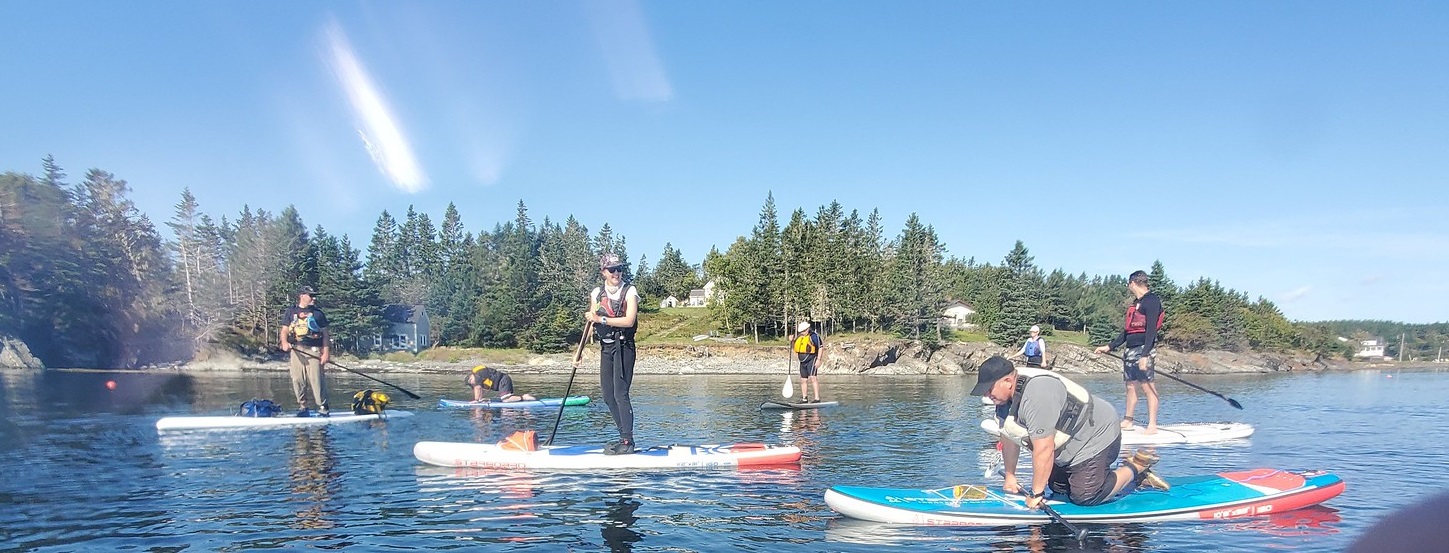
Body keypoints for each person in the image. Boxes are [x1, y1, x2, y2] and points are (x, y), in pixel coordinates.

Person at [972, 355, 1169, 510]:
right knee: (1059, 491)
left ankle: (1135, 468)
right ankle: (1102, 474)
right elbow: (1008, 437)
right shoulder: (1004, 399)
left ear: (1008, 380)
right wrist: (1010, 476)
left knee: (1085, 496)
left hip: (1098, 435)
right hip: (1070, 445)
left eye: (989, 389)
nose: (987, 395)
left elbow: (1044, 449)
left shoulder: (1037, 395)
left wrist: (1037, 494)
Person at [579, 253, 640, 455]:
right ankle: (623, 435)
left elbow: (629, 320)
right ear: (604, 272)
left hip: (624, 348)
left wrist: (601, 320)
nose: (616, 273)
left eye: (619, 269)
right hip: (606, 348)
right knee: (607, 395)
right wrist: (578, 353)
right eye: (612, 270)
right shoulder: (597, 293)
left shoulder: (629, 291)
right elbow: (590, 320)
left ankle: (628, 441)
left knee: (620, 393)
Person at [1094, 270, 1165, 434]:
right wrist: (1110, 346)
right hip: (1130, 349)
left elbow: (1151, 330)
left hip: (1143, 349)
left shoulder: (1152, 300)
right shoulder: (1135, 303)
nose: (1128, 287)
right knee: (1130, 386)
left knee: (1147, 386)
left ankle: (1152, 425)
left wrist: (1145, 354)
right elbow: (1127, 331)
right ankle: (1128, 420)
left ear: (1134, 283)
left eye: (1129, 284)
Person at [279, 286, 330, 416]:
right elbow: (285, 330)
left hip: (314, 350)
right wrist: (284, 342)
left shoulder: (319, 313)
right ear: (302, 296)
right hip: (296, 350)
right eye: (311, 296)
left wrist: (326, 352)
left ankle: (322, 406)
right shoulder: (291, 311)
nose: (314, 298)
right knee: (297, 379)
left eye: (314, 296)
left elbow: (325, 334)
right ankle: (303, 406)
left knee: (316, 379)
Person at [791, 321, 826, 402]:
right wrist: (792, 341)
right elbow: (794, 347)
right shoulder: (800, 337)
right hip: (802, 361)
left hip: (812, 359)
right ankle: (804, 398)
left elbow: (820, 347)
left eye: (803, 331)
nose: (802, 332)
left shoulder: (814, 336)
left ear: (807, 329)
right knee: (803, 380)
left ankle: (817, 398)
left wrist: (818, 360)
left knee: (813, 378)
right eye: (801, 331)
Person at [466, 365, 537, 402]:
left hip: (503, 380)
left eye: (471, 382)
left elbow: (478, 388)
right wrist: (480, 400)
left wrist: (476, 401)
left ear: (471, 377)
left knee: (506, 400)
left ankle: (524, 397)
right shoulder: (480, 378)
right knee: (505, 399)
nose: (472, 384)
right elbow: (481, 390)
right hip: (503, 381)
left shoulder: (477, 374)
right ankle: (520, 398)